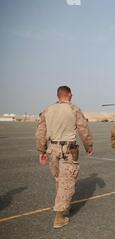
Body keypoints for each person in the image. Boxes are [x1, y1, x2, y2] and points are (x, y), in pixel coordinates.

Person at [35, 85, 93, 229]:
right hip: (68, 151)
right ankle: (60, 216)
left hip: (52, 150)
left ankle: (64, 207)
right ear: (70, 95)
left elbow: (40, 132)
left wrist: (41, 150)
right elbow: (83, 130)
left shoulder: (47, 110)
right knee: (67, 182)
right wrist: (89, 146)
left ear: (58, 96)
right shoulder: (74, 109)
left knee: (59, 179)